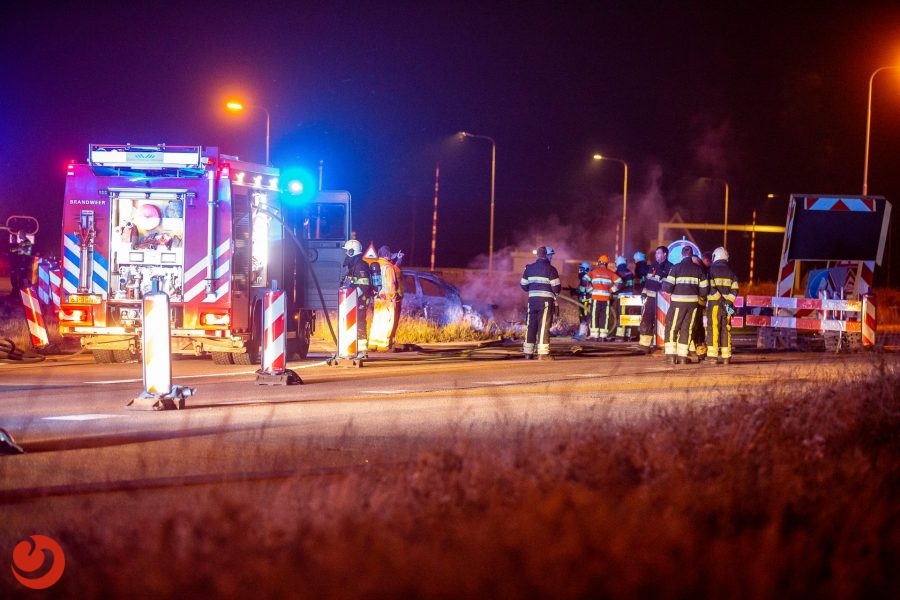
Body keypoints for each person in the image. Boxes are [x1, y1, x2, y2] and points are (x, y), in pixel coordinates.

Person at [660, 245, 708, 364]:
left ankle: (671, 356)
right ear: (692, 255)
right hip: (693, 305)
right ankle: (682, 357)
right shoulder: (699, 270)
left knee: (672, 328)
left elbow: (669, 287)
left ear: (682, 255)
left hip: (677, 303)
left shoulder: (675, 268)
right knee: (688, 329)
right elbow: (704, 290)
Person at [520, 246, 561, 360]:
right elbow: (556, 288)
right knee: (543, 325)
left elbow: (523, 285)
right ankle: (543, 354)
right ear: (546, 255)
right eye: (551, 255)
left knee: (531, 325)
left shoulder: (529, 268)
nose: (551, 257)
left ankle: (528, 352)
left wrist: (534, 289)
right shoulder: (551, 269)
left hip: (532, 301)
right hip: (545, 302)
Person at [706, 246, 740, 364]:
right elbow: (735, 289)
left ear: (715, 256)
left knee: (713, 328)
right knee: (726, 328)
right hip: (728, 306)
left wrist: (720, 301)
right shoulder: (732, 271)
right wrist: (728, 303)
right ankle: (726, 357)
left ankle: (713, 357)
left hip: (715, 304)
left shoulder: (710, 270)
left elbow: (710, 288)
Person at [340, 239, 373, 357]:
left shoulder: (360, 265)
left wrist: (351, 297)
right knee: (352, 324)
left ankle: (362, 351)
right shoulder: (353, 265)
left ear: (352, 251)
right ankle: (352, 349)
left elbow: (364, 285)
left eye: (347, 251)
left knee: (360, 324)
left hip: (360, 301)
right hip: (354, 301)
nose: (345, 254)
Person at [638, 246, 672, 353]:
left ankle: (663, 344)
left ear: (665, 254)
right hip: (651, 300)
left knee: (663, 323)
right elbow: (648, 281)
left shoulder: (670, 267)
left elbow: (668, 285)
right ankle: (644, 345)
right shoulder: (653, 266)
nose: (656, 255)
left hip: (663, 301)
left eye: (658, 253)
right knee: (647, 320)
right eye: (656, 253)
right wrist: (644, 293)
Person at [368, 245, 402, 351]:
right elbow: (391, 284)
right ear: (387, 255)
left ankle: (372, 344)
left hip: (378, 298)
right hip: (388, 300)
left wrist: (397, 258)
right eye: (390, 255)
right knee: (387, 321)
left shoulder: (376, 265)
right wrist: (393, 297)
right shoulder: (389, 267)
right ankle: (383, 346)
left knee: (377, 321)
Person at [587, 255, 622, 341]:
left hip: (595, 298)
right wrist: (611, 290)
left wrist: (590, 290)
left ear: (599, 262)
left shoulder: (593, 271)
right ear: (606, 263)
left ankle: (595, 336)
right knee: (604, 316)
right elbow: (620, 282)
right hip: (606, 299)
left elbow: (585, 280)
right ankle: (603, 336)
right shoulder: (610, 273)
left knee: (595, 315)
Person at [689, 250, 713, 361]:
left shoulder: (701, 270)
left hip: (690, 304)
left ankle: (691, 351)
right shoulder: (704, 271)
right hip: (698, 304)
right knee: (697, 327)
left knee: (690, 327)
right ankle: (701, 352)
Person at [613, 255, 636, 340]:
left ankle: (620, 336)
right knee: (628, 315)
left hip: (622, 298)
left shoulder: (618, 272)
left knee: (621, 316)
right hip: (631, 298)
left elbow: (618, 286)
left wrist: (613, 294)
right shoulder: (630, 272)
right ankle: (628, 334)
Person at [569, 261, 592, 340]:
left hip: (587, 301)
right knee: (582, 317)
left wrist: (578, 291)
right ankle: (583, 333)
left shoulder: (587, 278)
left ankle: (587, 334)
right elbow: (581, 289)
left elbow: (588, 290)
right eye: (579, 269)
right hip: (583, 300)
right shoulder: (583, 279)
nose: (579, 271)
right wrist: (576, 291)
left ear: (587, 269)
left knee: (587, 317)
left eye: (581, 269)